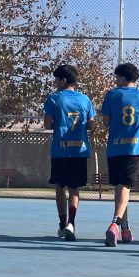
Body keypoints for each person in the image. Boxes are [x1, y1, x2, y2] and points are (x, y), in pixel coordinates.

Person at [100, 62, 139, 247]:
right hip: (133, 148)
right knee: (124, 187)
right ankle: (116, 224)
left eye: (117, 77)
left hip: (114, 148)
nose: (115, 81)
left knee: (120, 188)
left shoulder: (112, 95)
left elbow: (106, 121)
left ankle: (124, 228)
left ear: (123, 78)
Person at [43, 64, 96, 241]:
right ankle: (71, 224)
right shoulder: (85, 99)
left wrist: (58, 123)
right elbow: (91, 125)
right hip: (79, 151)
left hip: (60, 150)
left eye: (56, 80)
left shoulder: (54, 99)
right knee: (74, 188)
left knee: (60, 187)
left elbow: (47, 125)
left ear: (63, 80)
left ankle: (62, 224)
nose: (55, 83)